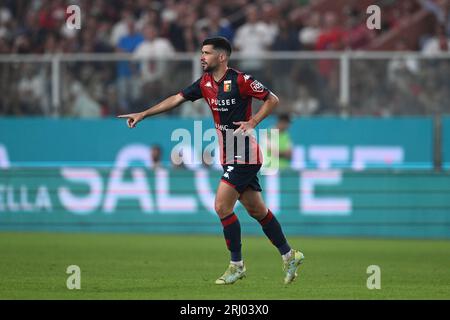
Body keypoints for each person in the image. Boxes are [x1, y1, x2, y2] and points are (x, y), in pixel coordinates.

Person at [118, 37, 304, 285]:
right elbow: (176, 98)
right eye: (201, 52)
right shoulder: (204, 83)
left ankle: (236, 265)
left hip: (244, 151)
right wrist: (143, 114)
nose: (202, 57)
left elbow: (273, 99)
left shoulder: (241, 80)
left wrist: (253, 122)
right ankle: (289, 254)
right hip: (230, 153)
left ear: (222, 57)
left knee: (221, 206)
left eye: (206, 53)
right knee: (257, 210)